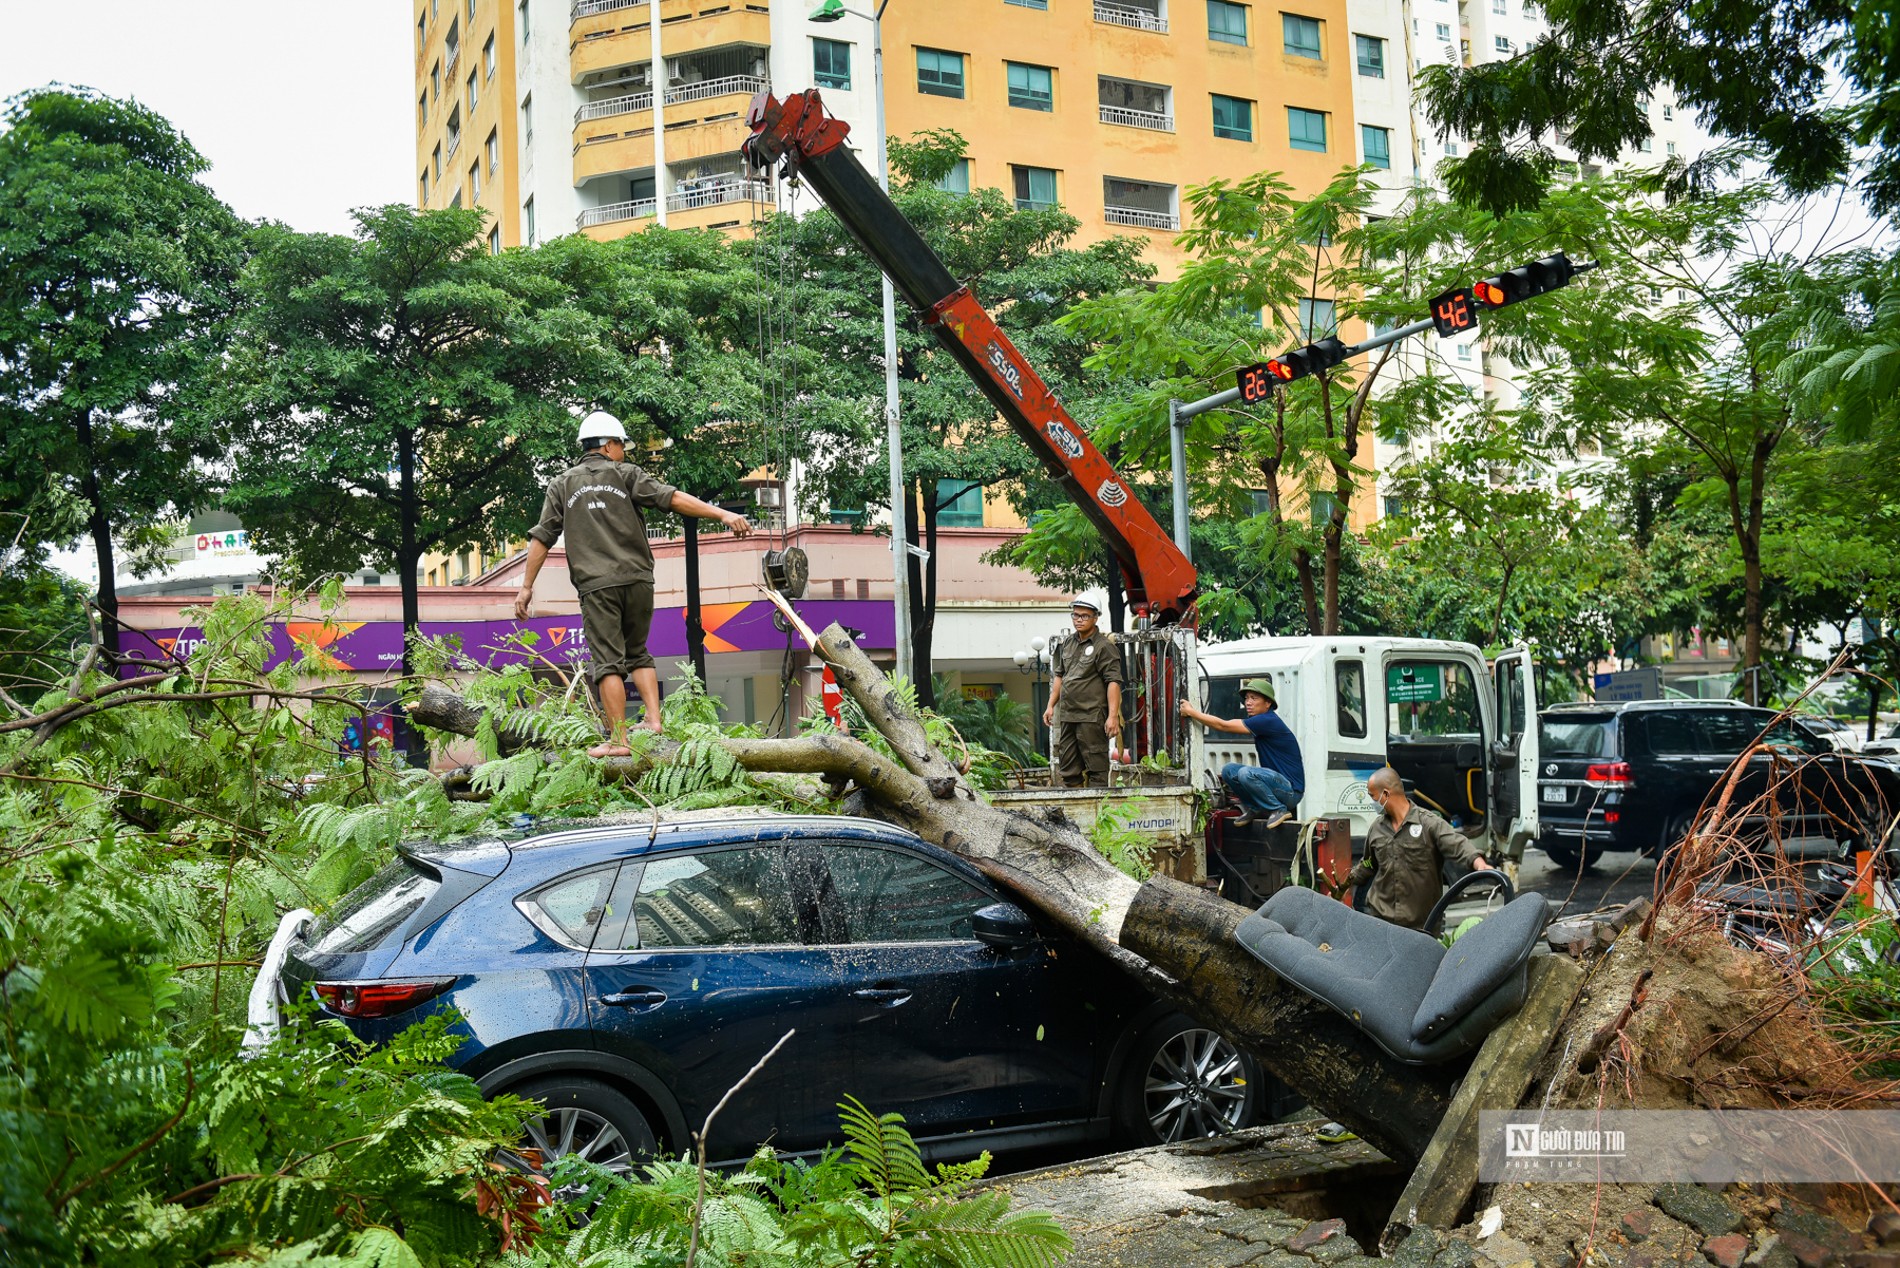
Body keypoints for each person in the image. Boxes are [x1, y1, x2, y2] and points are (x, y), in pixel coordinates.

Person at [514, 410, 753, 757]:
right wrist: (723, 513)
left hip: (597, 585)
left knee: (609, 661)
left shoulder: (562, 484)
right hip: (639, 579)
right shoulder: (627, 475)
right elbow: (672, 498)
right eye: (621, 445)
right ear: (608, 445)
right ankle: (654, 721)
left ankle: (618, 742)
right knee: (638, 651)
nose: (624, 452)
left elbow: (542, 539)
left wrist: (526, 586)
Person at [1339, 766, 1494, 929]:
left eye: (1372, 796)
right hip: (1381, 921)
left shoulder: (1430, 824)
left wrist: (1479, 863)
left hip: (1421, 926)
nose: (1372, 802)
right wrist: (1345, 883)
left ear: (1385, 794)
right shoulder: (1377, 828)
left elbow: (1457, 844)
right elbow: (1369, 863)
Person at [1180, 678, 1304, 828]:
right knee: (1229, 770)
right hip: (1277, 786)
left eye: (1254, 698)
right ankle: (1255, 808)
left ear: (1268, 703)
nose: (1248, 702)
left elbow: (1223, 725)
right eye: (1246, 698)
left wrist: (1191, 712)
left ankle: (1278, 809)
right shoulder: (1260, 720)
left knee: (1246, 773)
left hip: (1290, 792)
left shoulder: (1268, 720)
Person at [1042, 596, 1124, 787]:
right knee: (1068, 769)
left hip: (1091, 716)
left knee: (1097, 769)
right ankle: (1075, 812)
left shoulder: (1104, 647)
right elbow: (1059, 676)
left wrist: (1113, 717)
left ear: (1095, 618)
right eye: (1075, 615)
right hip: (1069, 715)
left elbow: (1113, 682)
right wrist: (1050, 705)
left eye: (1084, 616)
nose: (1078, 620)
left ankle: (1099, 812)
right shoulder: (1069, 643)